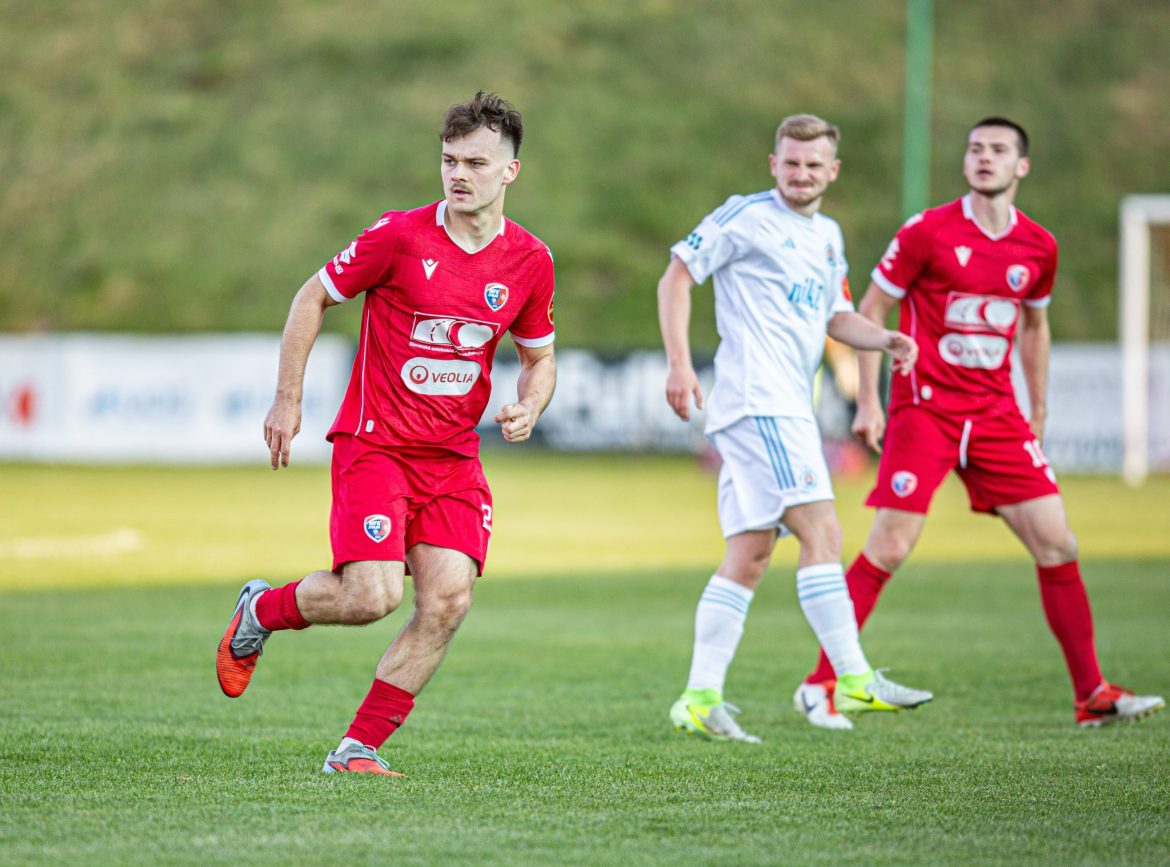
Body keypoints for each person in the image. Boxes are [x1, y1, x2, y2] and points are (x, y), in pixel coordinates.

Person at [215, 91, 557, 774]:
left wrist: (531, 404)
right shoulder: (400, 237)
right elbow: (312, 295)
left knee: (449, 601)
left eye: (476, 163)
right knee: (370, 596)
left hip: (453, 459)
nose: (458, 174)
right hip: (377, 445)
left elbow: (539, 357)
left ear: (510, 171)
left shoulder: (530, 260)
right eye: (449, 160)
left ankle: (356, 748)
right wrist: (287, 398)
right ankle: (261, 609)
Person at [797, 117, 1165, 729]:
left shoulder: (1038, 246)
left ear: (1022, 166)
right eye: (975, 149)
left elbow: (1035, 327)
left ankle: (1092, 695)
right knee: (890, 545)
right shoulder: (927, 231)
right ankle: (821, 683)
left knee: (1058, 543)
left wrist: (1038, 409)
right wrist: (869, 401)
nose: (983, 158)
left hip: (996, 414)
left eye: (998, 150)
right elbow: (872, 308)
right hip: (925, 408)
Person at [658, 113, 933, 742]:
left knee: (750, 555)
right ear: (773, 164)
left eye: (813, 165)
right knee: (823, 530)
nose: (801, 174)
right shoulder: (745, 215)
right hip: (760, 403)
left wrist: (884, 339)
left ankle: (699, 697)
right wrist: (679, 364)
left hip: (785, 407)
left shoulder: (828, 236)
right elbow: (676, 276)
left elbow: (837, 317)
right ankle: (854, 677)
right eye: (791, 162)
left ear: (832, 171)